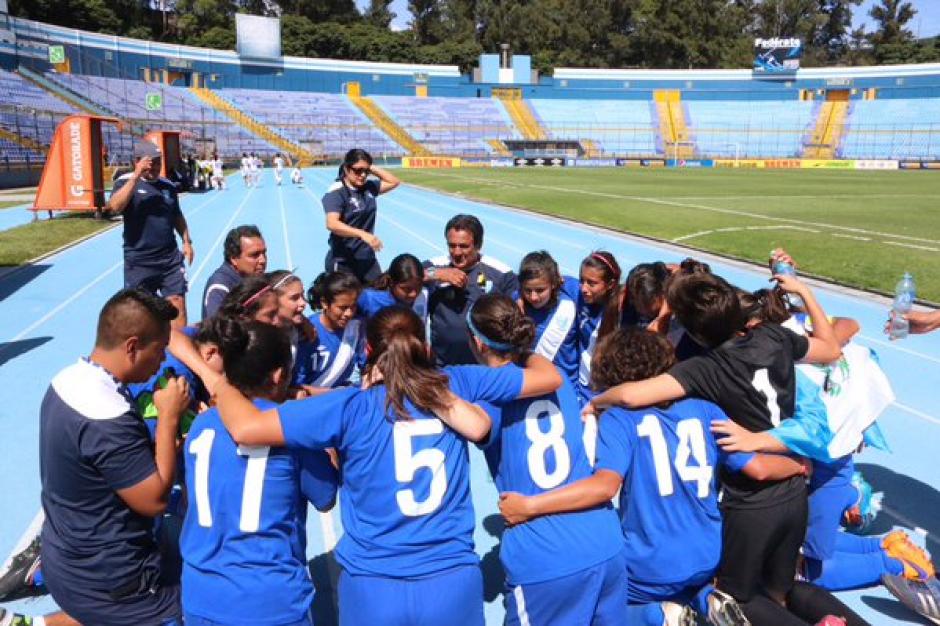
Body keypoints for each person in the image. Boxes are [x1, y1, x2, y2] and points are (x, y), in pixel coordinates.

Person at [199, 306, 563, 626]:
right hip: (451, 579)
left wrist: (222, 382)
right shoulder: (460, 383)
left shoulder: (349, 407)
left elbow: (246, 429)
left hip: (374, 584)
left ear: (369, 351)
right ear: (425, 347)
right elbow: (550, 377)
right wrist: (523, 349)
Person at [583, 270, 850, 624]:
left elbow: (633, 394)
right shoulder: (772, 336)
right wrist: (804, 291)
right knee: (780, 591)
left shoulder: (704, 371)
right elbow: (831, 348)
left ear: (693, 333)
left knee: (739, 598)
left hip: (749, 501)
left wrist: (597, 402)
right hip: (790, 486)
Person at [500, 328, 816, 626]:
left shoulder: (619, 420)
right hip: (706, 552)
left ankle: (660, 616)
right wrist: (799, 465)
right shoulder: (705, 409)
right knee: (690, 582)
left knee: (601, 608)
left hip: (650, 561)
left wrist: (530, 505)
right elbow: (758, 468)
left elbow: (604, 486)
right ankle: (708, 600)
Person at [467, 294, 628, 626]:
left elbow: (474, 426)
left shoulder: (488, 399)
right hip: (604, 540)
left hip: (546, 557)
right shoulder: (559, 381)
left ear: (479, 344)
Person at [39, 289, 190, 625]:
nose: (163, 361)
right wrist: (168, 419)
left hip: (65, 555)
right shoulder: (107, 418)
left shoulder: (66, 380)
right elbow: (153, 502)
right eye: (160, 350)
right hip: (112, 581)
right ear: (132, 347)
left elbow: (103, 468)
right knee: (199, 601)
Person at [180, 319, 338, 626]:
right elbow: (326, 496)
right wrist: (327, 449)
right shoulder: (291, 427)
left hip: (202, 593)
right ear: (278, 376)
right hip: (268, 599)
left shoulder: (201, 426)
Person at [107, 140, 194, 328]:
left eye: (158, 162)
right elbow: (114, 207)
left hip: (169, 259)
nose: (155, 167)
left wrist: (186, 241)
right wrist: (136, 176)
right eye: (150, 163)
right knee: (139, 313)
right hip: (139, 261)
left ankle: (177, 353)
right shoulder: (124, 183)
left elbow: (177, 215)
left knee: (177, 303)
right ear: (137, 162)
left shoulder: (168, 186)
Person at [424, 214, 518, 366]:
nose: (456, 252)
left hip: (484, 367)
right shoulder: (435, 266)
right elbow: (402, 276)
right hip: (442, 366)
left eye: (463, 246)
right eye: (452, 245)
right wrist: (438, 274)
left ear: (478, 245)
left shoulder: (501, 274)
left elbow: (522, 304)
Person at [322, 148, 400, 283]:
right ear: (346, 169)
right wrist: (362, 234)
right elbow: (332, 223)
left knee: (377, 295)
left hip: (367, 258)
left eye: (366, 171)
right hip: (343, 260)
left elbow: (394, 182)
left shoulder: (368, 187)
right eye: (358, 170)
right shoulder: (337, 191)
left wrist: (370, 166)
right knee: (347, 301)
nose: (363, 175)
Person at [517, 251, 579, 391]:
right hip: (530, 386)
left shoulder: (570, 306)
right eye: (528, 290)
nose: (533, 297)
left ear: (553, 284)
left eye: (540, 290)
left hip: (565, 388)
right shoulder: (516, 304)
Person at [294, 271, 365, 393]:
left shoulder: (357, 330)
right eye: (342, 308)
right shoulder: (307, 332)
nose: (348, 313)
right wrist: (336, 395)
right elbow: (297, 387)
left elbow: (366, 367)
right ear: (325, 303)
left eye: (352, 307)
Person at [576, 251, 622, 404]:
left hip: (603, 392)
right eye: (582, 280)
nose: (584, 288)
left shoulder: (621, 313)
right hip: (580, 385)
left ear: (610, 284)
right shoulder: (579, 295)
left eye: (591, 283)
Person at [201, 225, 268, 320]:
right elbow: (216, 329)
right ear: (234, 258)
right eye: (254, 255)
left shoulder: (256, 278)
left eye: (264, 253)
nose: (263, 260)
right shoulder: (220, 287)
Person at [357, 253, 428, 322]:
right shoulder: (369, 299)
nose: (413, 294)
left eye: (419, 287)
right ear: (391, 282)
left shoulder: (423, 295)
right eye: (406, 289)